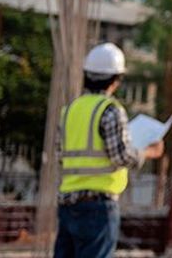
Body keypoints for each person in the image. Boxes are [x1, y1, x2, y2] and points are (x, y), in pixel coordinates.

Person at [55, 43, 164, 258]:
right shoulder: (110, 110)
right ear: (116, 80)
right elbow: (121, 156)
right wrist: (149, 152)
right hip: (98, 207)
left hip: (68, 205)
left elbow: (61, 156)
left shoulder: (69, 110)